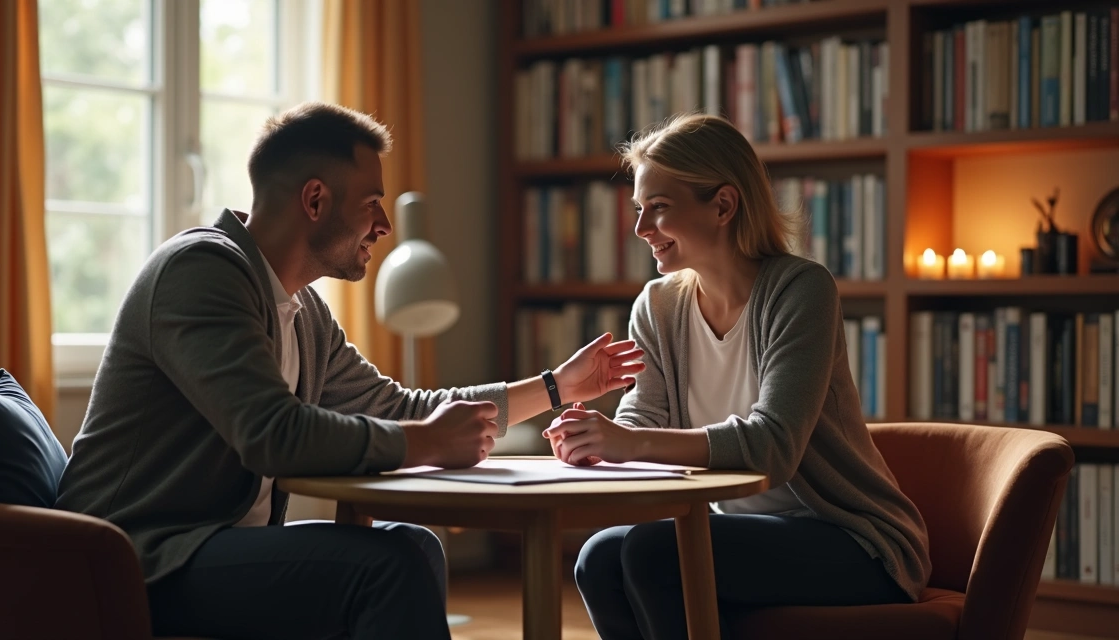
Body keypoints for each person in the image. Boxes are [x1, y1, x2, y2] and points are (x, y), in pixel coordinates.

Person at [55, 101, 645, 640]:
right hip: (136, 561)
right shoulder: (201, 270)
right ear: (314, 201)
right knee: (386, 567)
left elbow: (397, 408)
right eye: (371, 205)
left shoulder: (302, 308)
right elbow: (273, 436)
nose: (384, 226)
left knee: (411, 547)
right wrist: (423, 442)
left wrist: (555, 387)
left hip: (209, 549)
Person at [543, 113, 931, 639]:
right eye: (639, 210)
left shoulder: (801, 290)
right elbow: (645, 417)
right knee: (598, 557)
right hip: (737, 530)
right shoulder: (659, 305)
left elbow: (773, 446)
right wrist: (595, 439)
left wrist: (628, 440)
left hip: (851, 540)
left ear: (723, 204)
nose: (640, 230)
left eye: (658, 209)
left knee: (653, 553)